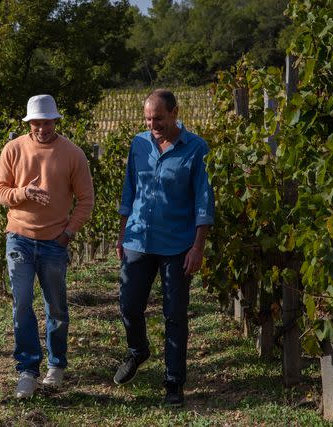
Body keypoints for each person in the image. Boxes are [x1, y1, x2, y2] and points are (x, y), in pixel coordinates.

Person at [113, 89, 214, 407]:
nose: (152, 123)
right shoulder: (139, 144)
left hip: (177, 245)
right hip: (139, 240)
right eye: (147, 118)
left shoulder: (196, 149)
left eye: (158, 117)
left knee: (174, 316)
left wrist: (198, 246)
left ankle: (173, 383)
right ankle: (138, 350)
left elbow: (204, 200)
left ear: (174, 113)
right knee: (129, 305)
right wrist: (121, 233)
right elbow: (129, 189)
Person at [0, 94, 94, 399]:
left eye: (47, 121)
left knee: (57, 307)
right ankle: (27, 370)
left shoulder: (73, 154)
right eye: (36, 122)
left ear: (56, 121)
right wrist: (24, 192)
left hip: (54, 242)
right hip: (19, 238)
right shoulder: (13, 149)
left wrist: (68, 233)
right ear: (29, 123)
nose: (42, 128)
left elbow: (86, 201)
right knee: (21, 304)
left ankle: (57, 366)